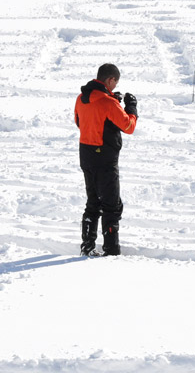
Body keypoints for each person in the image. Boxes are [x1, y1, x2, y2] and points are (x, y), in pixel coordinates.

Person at [74, 63, 138, 256]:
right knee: (111, 205)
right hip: (105, 158)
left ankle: (87, 246)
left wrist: (113, 102)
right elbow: (128, 126)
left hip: (86, 154)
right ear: (110, 79)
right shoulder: (109, 103)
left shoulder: (81, 98)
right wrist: (131, 107)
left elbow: (79, 122)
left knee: (93, 202)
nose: (115, 87)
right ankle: (111, 249)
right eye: (115, 83)